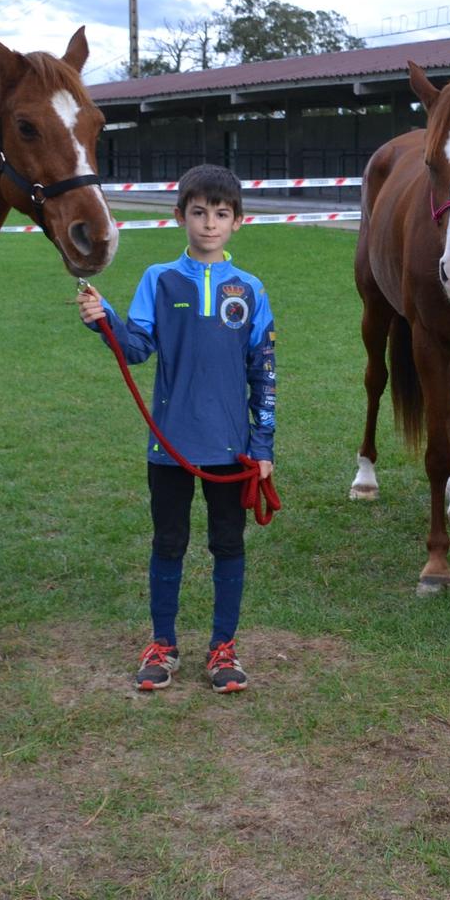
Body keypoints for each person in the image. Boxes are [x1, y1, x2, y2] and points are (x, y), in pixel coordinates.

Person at [77, 164, 276, 694]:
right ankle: (162, 644)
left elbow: (265, 372)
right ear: (180, 216)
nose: (209, 223)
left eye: (221, 213)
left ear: (238, 222)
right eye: (199, 212)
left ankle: (223, 649)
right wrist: (105, 320)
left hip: (231, 449)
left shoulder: (251, 289)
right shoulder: (158, 280)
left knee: (227, 544)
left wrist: (263, 444)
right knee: (168, 542)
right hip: (169, 446)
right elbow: (137, 348)